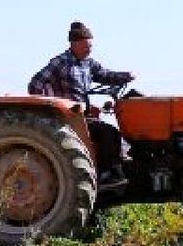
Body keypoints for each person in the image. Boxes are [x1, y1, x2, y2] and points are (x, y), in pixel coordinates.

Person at [28, 21, 135, 189]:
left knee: (112, 132)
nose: (89, 49)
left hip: (83, 115)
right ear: (74, 44)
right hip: (68, 117)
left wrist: (125, 76)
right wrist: (52, 107)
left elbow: (105, 75)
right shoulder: (60, 62)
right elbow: (35, 84)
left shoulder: (89, 63)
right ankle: (107, 175)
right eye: (86, 46)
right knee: (109, 132)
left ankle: (117, 167)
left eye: (90, 46)